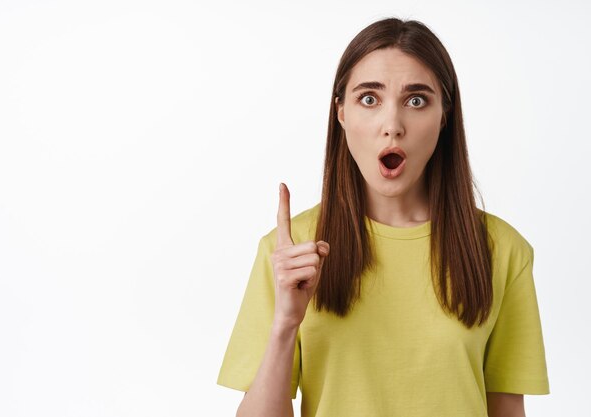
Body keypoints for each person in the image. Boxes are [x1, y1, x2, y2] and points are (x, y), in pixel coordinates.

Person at [217, 17, 550, 417]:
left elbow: (507, 410)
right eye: (369, 99)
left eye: (416, 100)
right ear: (341, 113)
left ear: (444, 115)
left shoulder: (503, 251)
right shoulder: (290, 251)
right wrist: (286, 323)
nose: (392, 126)